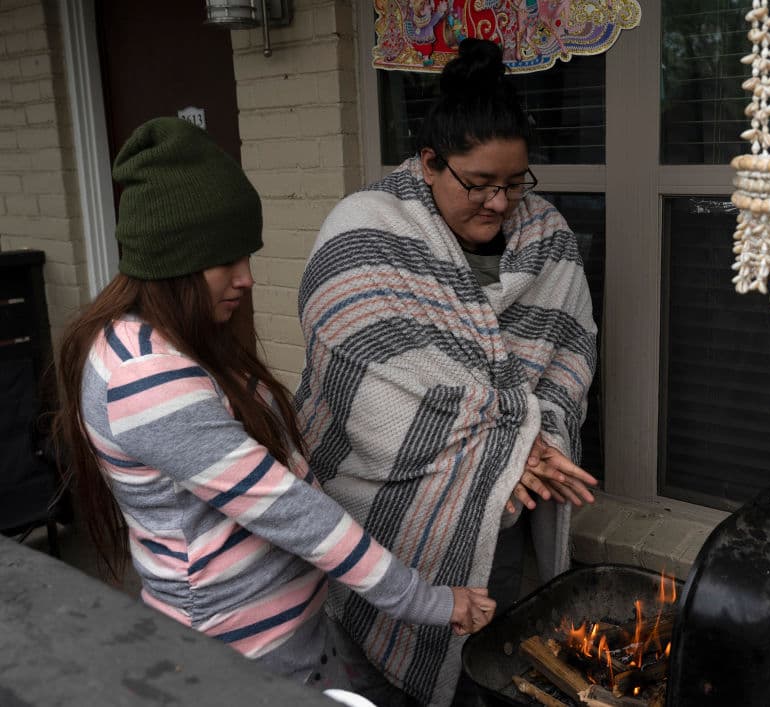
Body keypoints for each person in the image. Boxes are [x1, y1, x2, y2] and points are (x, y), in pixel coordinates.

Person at [53, 117, 495, 692]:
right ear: (174, 262)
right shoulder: (148, 375)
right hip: (238, 660)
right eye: (226, 262)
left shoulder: (168, 339)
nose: (247, 279)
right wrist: (429, 601)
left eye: (247, 257)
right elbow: (288, 508)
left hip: (287, 640)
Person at [295, 38, 599, 705]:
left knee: (486, 660)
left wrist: (533, 443)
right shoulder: (366, 226)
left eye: (515, 184)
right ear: (430, 163)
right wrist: (506, 447)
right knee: (378, 684)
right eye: (480, 183)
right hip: (382, 513)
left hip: (502, 512)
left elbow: (566, 356)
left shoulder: (545, 235)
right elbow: (358, 361)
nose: (499, 204)